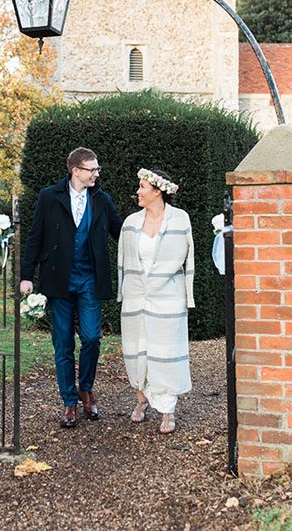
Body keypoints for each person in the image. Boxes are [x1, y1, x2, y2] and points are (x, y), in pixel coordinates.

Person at [20, 147, 123, 428]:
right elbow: (35, 237)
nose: (97, 173)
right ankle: (69, 402)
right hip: (58, 279)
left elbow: (122, 232)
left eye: (97, 168)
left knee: (91, 338)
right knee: (63, 342)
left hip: (89, 278)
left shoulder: (102, 200)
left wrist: (152, 225)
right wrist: (26, 275)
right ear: (76, 170)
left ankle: (86, 389)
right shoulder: (49, 197)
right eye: (92, 169)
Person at [117, 168, 195, 434]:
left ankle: (167, 410)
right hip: (137, 297)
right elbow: (124, 261)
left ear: (158, 191)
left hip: (168, 297)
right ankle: (141, 399)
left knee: (166, 352)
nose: (138, 191)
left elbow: (187, 258)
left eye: (142, 187)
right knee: (138, 350)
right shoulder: (130, 223)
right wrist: (125, 293)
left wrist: (185, 294)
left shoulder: (180, 219)